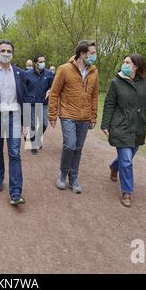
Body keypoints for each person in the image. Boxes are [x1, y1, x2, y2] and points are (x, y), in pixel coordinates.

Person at [101, 54, 146, 208]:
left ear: (136, 66)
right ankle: (127, 192)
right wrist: (105, 124)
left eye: (127, 62)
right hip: (120, 125)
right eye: (124, 62)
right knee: (127, 160)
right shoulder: (116, 82)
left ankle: (114, 167)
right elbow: (109, 104)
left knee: (128, 156)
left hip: (138, 127)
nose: (124, 64)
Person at [0, 40, 33, 206]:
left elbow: (26, 97)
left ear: (13, 54)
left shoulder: (20, 73)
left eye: (9, 51)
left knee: (15, 153)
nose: (6, 53)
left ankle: (16, 192)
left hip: (15, 116)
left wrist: (26, 122)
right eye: (3, 50)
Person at [48, 40, 99, 194]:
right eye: (92, 53)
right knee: (70, 145)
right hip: (68, 114)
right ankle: (63, 174)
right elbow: (54, 92)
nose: (95, 56)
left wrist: (93, 116)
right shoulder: (64, 69)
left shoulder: (94, 71)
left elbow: (95, 96)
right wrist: (52, 114)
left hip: (84, 117)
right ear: (83, 54)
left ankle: (74, 177)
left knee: (78, 148)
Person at [25, 55, 54, 154]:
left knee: (44, 123)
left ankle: (37, 138)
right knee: (32, 125)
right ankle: (33, 145)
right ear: (35, 63)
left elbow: (52, 86)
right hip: (31, 103)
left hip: (43, 103)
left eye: (43, 61)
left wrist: (50, 90)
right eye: (40, 61)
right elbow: (23, 88)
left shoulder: (49, 74)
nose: (42, 63)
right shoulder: (27, 74)